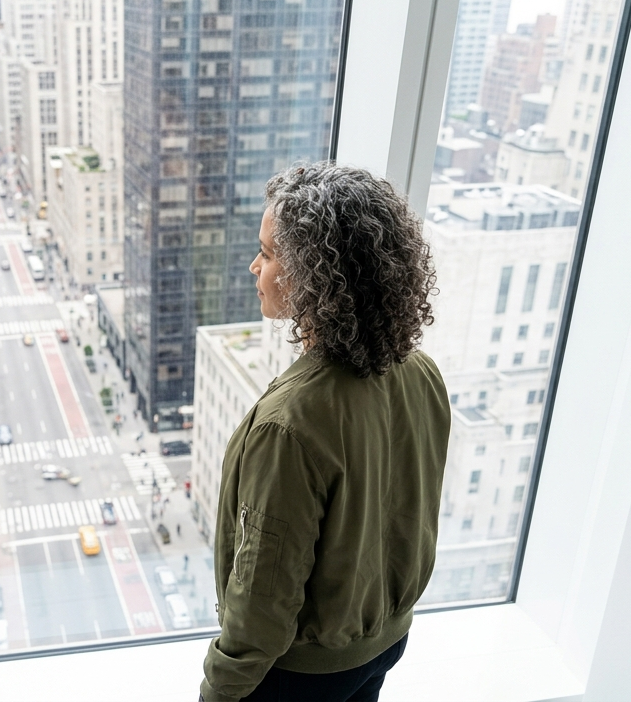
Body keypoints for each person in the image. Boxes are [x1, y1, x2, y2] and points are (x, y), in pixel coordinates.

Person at [199, 164, 447, 702]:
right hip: (386, 641)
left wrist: (220, 690)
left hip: (301, 678)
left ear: (312, 273)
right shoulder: (420, 373)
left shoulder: (289, 426)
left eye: (266, 254)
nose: (253, 266)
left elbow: (262, 597)